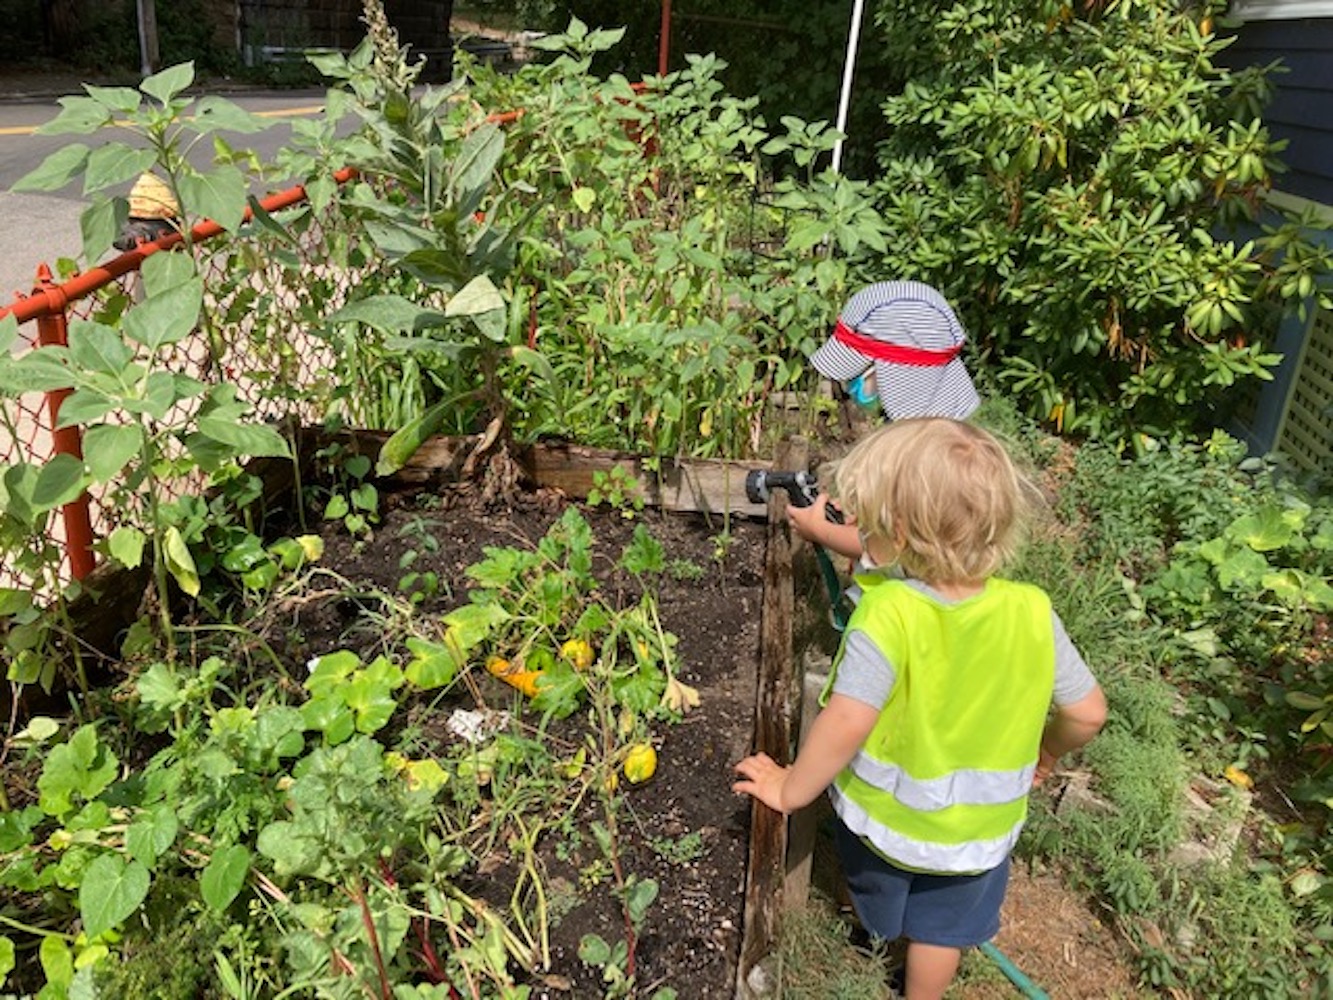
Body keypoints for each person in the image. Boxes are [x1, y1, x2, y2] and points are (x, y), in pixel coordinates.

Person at [732, 419, 1107, 1000]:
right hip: (981, 834)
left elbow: (847, 722)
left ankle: (875, 929)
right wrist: (1048, 750)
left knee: (878, 894)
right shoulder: (1033, 611)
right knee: (945, 932)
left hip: (890, 821)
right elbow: (1087, 713)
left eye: (870, 518)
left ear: (898, 531)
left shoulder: (887, 615)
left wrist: (789, 790)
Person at [788, 281, 981, 561]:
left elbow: (891, 550)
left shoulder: (915, 461)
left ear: (898, 375)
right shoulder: (953, 443)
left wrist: (817, 530)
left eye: (866, 369)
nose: (851, 384)